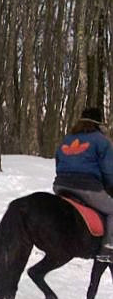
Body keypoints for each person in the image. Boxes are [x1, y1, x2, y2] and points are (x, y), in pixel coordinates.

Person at [53, 107, 113, 262]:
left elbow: (58, 161)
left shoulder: (66, 139)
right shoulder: (102, 141)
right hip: (87, 188)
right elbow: (108, 171)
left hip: (61, 186)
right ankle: (108, 248)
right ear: (98, 124)